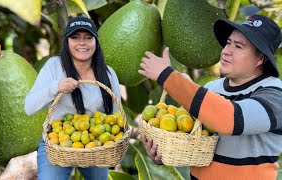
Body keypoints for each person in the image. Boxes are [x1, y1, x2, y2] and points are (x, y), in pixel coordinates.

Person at [138, 14, 282, 179]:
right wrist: (163, 153)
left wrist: (167, 76)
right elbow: (194, 143)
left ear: (260, 59)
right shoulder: (211, 88)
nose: (226, 51)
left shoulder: (276, 95)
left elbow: (230, 119)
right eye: (228, 43)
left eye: (239, 46)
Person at [25, 16, 121, 180]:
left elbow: (117, 116)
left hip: (94, 145)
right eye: (75, 37)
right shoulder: (53, 66)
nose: (82, 43)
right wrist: (56, 86)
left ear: (96, 42)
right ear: (67, 42)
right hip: (57, 144)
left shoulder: (108, 74)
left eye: (88, 37)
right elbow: (29, 107)